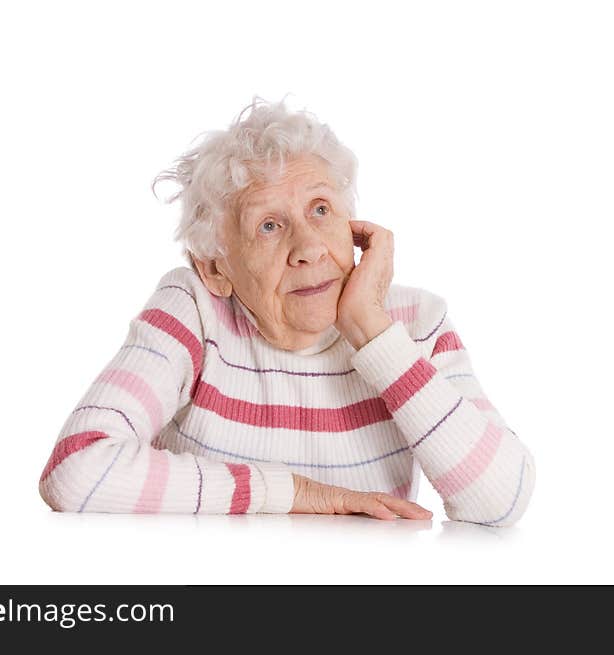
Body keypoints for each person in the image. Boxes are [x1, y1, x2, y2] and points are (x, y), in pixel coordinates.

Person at [38, 97, 536, 524]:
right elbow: (77, 470)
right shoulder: (195, 308)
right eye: (270, 226)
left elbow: (502, 502)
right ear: (216, 268)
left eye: (321, 210)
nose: (310, 248)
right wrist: (297, 494)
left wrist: (372, 332)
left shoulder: (413, 322)